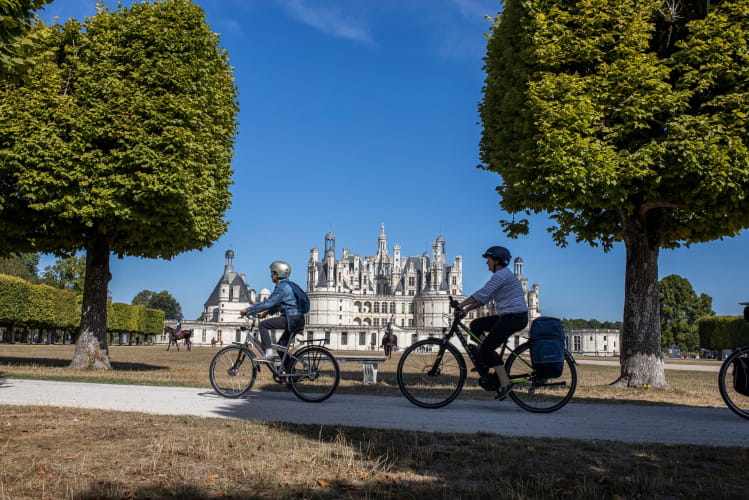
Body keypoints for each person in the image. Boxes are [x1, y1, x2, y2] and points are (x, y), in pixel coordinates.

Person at [455, 246, 528, 400]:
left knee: (488, 348)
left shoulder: (501, 276)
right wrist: (467, 310)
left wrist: (461, 305)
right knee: (476, 325)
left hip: (514, 317)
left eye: (488, 259)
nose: (486, 262)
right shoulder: (501, 276)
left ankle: (505, 384)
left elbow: (482, 293)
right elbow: (485, 298)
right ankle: (485, 358)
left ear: (497, 261)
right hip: (508, 315)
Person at [240, 260, 306, 362]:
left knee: (263, 325)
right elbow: (280, 304)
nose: (271, 275)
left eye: (273, 273)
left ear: (278, 273)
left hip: (291, 318)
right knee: (281, 348)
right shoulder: (289, 285)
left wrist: (248, 310)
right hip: (297, 319)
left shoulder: (281, 286)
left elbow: (268, 303)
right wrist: (267, 312)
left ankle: (269, 353)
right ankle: (290, 373)